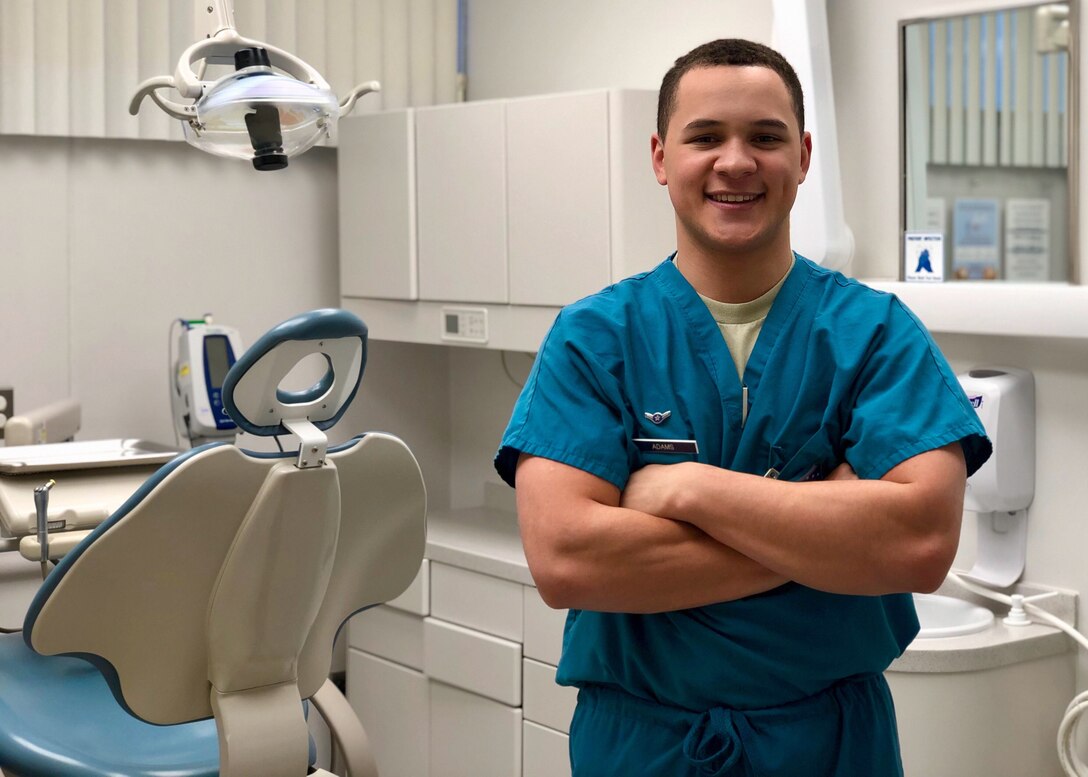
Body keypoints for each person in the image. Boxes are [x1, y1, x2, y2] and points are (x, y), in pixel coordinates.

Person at [494, 38, 991, 777]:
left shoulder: (875, 334)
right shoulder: (596, 338)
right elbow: (567, 558)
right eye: (706, 137)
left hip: (831, 743)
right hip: (645, 743)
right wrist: (827, 530)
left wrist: (692, 490)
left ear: (804, 155)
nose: (736, 162)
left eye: (765, 137)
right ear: (662, 158)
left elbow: (918, 543)